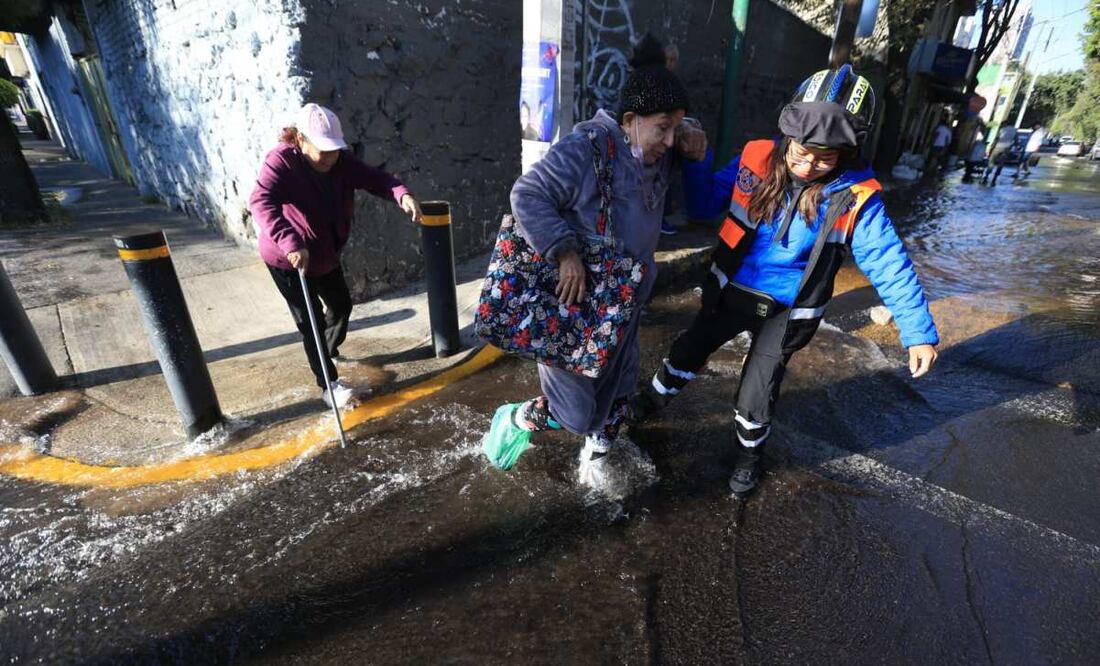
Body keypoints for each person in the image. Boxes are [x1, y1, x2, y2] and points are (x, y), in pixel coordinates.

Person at [632, 66, 939, 498]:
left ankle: (749, 455)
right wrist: (697, 160)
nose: (809, 163)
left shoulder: (857, 198)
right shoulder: (756, 158)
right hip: (730, 291)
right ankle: (652, 400)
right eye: (801, 151)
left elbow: (888, 261)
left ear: (848, 152)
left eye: (825, 156)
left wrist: (918, 331)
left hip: (789, 311)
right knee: (687, 350)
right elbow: (703, 206)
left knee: (756, 395)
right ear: (788, 135)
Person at [480, 35, 708, 489]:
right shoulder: (587, 147)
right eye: (663, 127)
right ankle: (520, 417)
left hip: (622, 301)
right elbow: (527, 194)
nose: (670, 139)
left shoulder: (657, 150)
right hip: (573, 303)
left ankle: (597, 456)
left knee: (620, 389)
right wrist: (563, 250)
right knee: (577, 410)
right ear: (629, 120)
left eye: (674, 128)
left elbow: (685, 139)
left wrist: (689, 130)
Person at [249, 103, 422, 408]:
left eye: (335, 149)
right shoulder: (281, 161)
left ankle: (325, 350)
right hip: (287, 259)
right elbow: (261, 202)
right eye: (322, 149)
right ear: (300, 139)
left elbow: (377, 179)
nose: (330, 156)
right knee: (311, 321)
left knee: (341, 304)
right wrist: (291, 242)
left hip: (324, 253)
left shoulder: (340, 162)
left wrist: (402, 194)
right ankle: (328, 384)